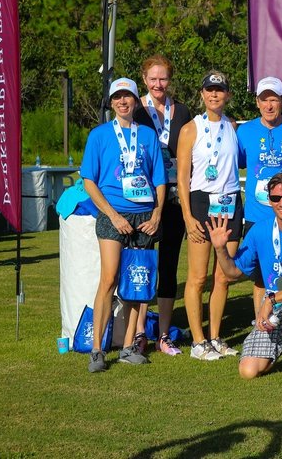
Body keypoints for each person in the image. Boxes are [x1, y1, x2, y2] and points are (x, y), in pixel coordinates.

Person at [206, 173, 282, 382]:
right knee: (248, 371)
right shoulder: (260, 230)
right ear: (269, 200)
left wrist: (270, 300)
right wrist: (220, 250)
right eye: (276, 198)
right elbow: (233, 273)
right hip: (276, 309)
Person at [82, 77, 166, 372]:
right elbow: (89, 180)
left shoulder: (147, 135)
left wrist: (156, 215)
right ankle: (97, 350)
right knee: (109, 280)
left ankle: (129, 345)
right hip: (112, 214)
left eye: (127, 96)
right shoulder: (100, 135)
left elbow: (159, 179)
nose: (122, 101)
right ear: (111, 102)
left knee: (137, 284)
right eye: (117, 97)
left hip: (144, 217)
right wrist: (113, 215)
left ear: (135, 100)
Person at [177, 71, 242, 361]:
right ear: (202, 94)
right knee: (198, 276)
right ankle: (198, 341)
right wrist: (188, 217)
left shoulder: (233, 126)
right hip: (201, 202)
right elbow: (181, 178)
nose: (215, 95)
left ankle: (215, 337)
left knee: (224, 276)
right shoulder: (190, 128)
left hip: (230, 203)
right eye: (209, 90)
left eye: (220, 90)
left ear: (227, 95)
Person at [131, 55, 192, 357]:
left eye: (163, 78)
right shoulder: (135, 110)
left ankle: (164, 335)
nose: (158, 84)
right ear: (144, 79)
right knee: (143, 265)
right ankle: (140, 331)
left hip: (175, 199)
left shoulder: (181, 111)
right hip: (142, 199)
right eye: (153, 79)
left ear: (170, 80)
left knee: (168, 264)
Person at [237, 76, 282, 318]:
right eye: (264, 99)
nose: (269, 105)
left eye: (274, 99)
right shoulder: (244, 131)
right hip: (257, 217)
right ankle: (261, 327)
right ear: (257, 102)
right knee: (259, 277)